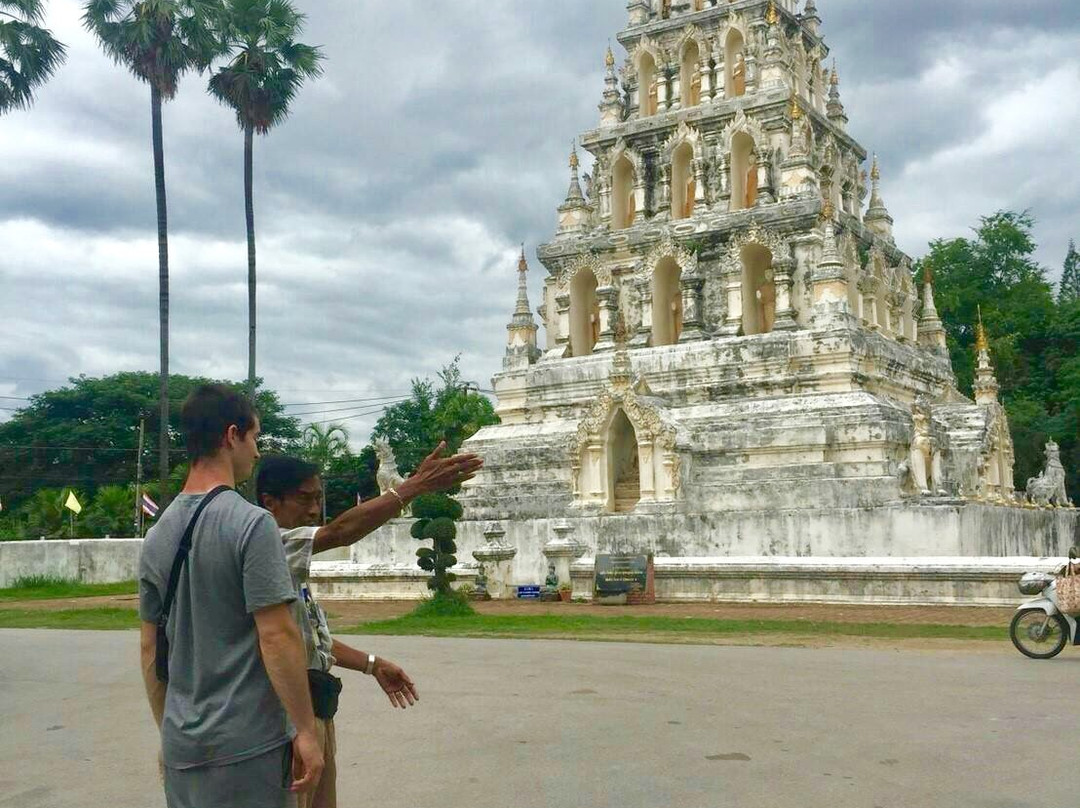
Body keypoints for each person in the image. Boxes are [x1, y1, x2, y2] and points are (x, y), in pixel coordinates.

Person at [257, 442, 483, 808]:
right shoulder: (267, 543)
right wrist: (415, 486)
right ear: (271, 502)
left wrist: (373, 664)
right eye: (304, 499)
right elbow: (340, 532)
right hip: (287, 718)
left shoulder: (291, 561)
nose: (315, 510)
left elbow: (310, 640)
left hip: (317, 708)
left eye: (318, 498)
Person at [138, 384, 323, 808]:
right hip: (248, 745)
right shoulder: (252, 524)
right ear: (232, 435)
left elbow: (150, 647)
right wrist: (306, 732)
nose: (257, 453)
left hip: (183, 745)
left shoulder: (156, 535)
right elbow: (277, 636)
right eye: (255, 438)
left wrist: (168, 732)